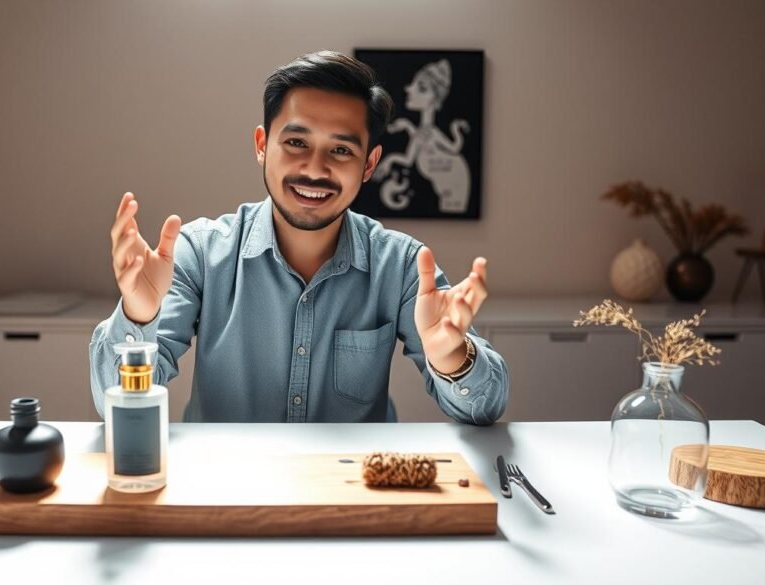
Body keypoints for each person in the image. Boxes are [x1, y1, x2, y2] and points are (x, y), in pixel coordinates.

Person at [90, 50, 508, 424]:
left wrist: (452, 357)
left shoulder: (402, 266)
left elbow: (486, 408)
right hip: (225, 491)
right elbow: (117, 403)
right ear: (261, 144)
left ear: (369, 164)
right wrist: (138, 316)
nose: (315, 168)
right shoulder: (199, 253)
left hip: (353, 495)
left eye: (341, 150)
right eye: (295, 142)